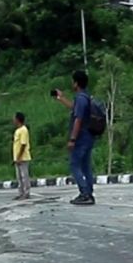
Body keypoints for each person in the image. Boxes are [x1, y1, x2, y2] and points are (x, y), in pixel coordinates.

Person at [53, 70, 95, 206]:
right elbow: (74, 108)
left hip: (81, 138)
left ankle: (84, 193)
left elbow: (78, 119)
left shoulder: (81, 98)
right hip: (88, 137)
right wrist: (61, 98)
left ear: (76, 83)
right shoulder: (84, 97)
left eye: (73, 81)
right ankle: (89, 192)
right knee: (86, 166)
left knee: (74, 165)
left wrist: (72, 139)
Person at [13, 112, 31, 200]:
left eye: (14, 118)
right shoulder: (17, 130)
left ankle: (26, 193)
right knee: (19, 177)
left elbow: (23, 144)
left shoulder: (24, 130)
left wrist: (19, 157)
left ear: (18, 119)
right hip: (17, 158)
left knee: (24, 176)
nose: (13, 120)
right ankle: (21, 193)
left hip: (23, 157)